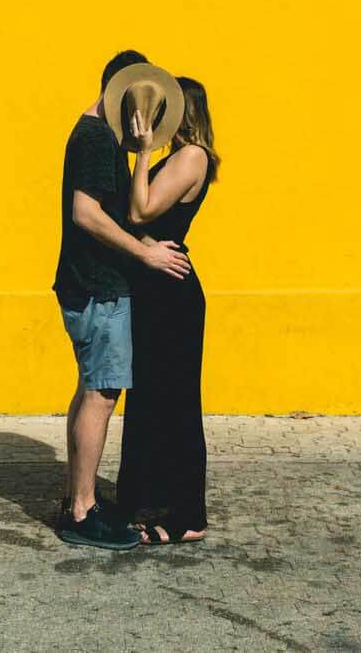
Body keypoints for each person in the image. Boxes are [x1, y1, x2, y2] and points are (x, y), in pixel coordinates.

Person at [52, 50, 192, 550]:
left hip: (88, 282)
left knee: (90, 388)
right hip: (98, 286)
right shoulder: (93, 136)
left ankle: (75, 498)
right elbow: (85, 214)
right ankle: (83, 512)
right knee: (102, 394)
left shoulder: (99, 135)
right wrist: (145, 255)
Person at [117, 76, 219, 546]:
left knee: (175, 401)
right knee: (151, 399)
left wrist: (140, 154)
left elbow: (141, 212)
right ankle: (147, 501)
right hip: (154, 289)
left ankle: (187, 516)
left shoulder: (192, 156)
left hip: (172, 293)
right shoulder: (174, 157)